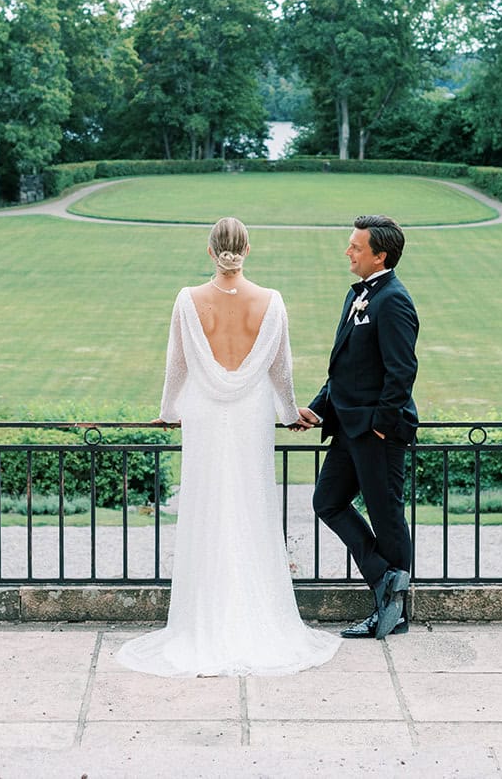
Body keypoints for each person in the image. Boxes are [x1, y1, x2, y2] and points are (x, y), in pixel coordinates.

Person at [116, 217, 340, 677]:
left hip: (202, 411)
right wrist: (289, 411)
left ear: (211, 251)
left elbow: (176, 364)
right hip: (251, 413)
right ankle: (256, 617)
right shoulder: (271, 302)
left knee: (205, 505)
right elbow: (282, 369)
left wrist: (168, 409)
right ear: (247, 250)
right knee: (250, 503)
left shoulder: (188, 300)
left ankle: (203, 620)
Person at [295, 215, 419, 640]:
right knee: (327, 501)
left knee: (386, 518)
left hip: (376, 431)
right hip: (348, 426)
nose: (348, 251)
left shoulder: (394, 300)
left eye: (355, 246)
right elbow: (346, 367)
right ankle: (387, 579)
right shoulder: (362, 296)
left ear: (379, 254)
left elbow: (401, 371)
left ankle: (394, 614)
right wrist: (316, 408)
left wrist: (383, 427)